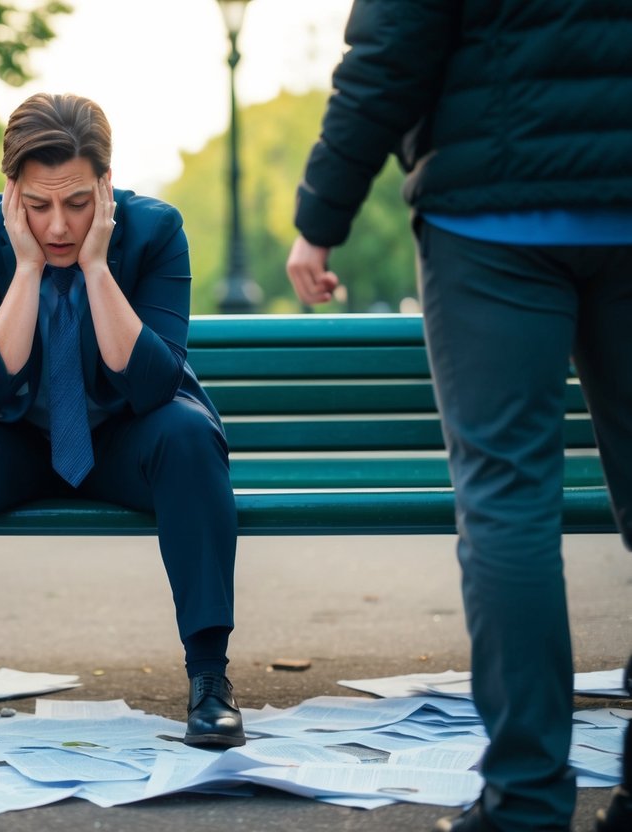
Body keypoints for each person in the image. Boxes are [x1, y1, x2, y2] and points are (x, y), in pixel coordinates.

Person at [284, 3, 632, 830]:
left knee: (507, 502)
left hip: (492, 215)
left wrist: (319, 217)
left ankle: (525, 801)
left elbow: (392, 50)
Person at [0, 93, 242, 753]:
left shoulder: (156, 230)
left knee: (189, 434)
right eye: (37, 204)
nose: (57, 227)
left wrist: (97, 266)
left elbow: (151, 383)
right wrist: (25, 269)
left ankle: (209, 680)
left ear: (105, 186)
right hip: (15, 444)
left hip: (123, 442)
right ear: (10, 190)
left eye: (77, 203)